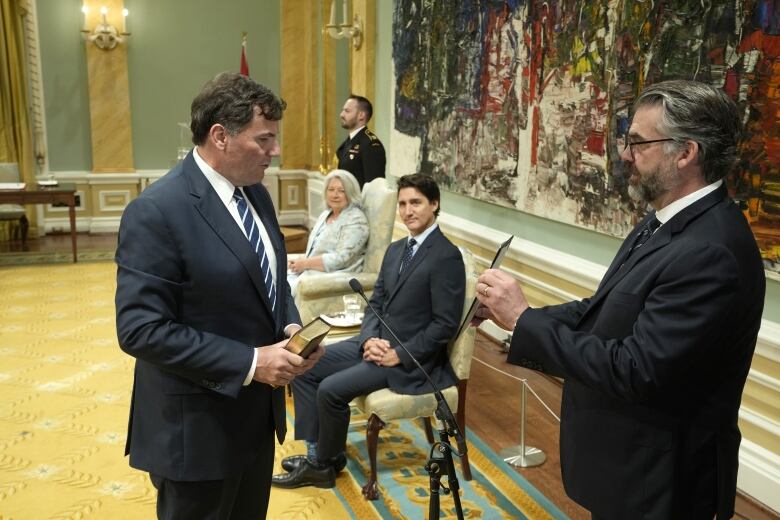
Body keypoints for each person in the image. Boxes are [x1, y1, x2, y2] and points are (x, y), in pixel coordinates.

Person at [475, 80, 765, 519]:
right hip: (629, 469)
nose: (626, 155)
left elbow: (638, 369)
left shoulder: (710, 250)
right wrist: (513, 315)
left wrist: (524, 320)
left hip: (661, 483)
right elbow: (609, 308)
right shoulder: (665, 222)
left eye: (638, 142)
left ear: (686, 152)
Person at [114, 72, 324, 520]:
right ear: (220, 137)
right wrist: (253, 362)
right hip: (196, 430)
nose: (276, 151)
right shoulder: (156, 212)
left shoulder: (257, 195)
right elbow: (140, 330)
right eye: (264, 139)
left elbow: (272, 279)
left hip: (255, 420)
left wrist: (290, 328)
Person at [271, 173, 465, 489]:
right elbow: (376, 301)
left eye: (415, 202)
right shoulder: (397, 249)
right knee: (304, 366)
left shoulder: (446, 256)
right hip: (374, 343)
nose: (408, 210)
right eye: (402, 203)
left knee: (330, 389)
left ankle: (321, 466)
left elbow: (444, 326)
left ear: (434, 204)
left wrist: (396, 355)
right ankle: (321, 453)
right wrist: (369, 338)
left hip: (411, 361)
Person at [287, 169, 369, 295]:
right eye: (331, 190)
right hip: (313, 270)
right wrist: (301, 261)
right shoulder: (326, 214)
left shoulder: (356, 219)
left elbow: (341, 259)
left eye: (341, 191)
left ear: (351, 193)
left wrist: (305, 263)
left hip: (335, 275)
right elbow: (318, 250)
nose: (335, 195)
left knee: (283, 290)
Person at [336, 94, 386, 187]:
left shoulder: (371, 144)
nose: (341, 114)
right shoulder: (350, 141)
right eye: (343, 110)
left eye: (347, 111)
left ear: (361, 115)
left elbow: (373, 187)